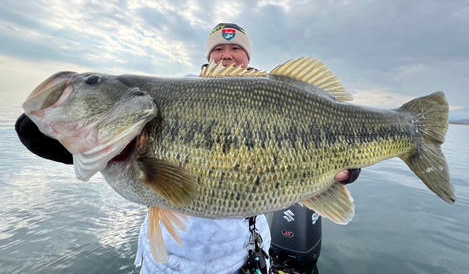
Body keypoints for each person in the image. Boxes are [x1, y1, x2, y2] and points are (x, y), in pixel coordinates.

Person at [15, 23, 360, 274]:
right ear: (208, 58)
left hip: (243, 255)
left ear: (248, 57)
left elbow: (333, 135)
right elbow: (31, 130)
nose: (227, 55)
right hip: (173, 260)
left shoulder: (280, 97)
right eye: (218, 50)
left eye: (236, 49)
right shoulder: (176, 93)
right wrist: (69, 135)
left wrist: (349, 164)